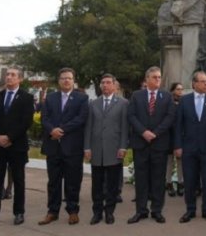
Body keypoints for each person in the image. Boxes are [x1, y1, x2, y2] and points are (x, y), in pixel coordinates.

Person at [0, 67, 34, 227]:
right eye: (8, 74)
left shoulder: (26, 98)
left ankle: (19, 212)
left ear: (20, 79)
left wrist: (10, 137)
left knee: (18, 180)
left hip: (16, 146)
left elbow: (26, 122)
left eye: (13, 75)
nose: (9, 77)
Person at [39, 68, 89, 226]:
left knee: (73, 181)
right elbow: (44, 118)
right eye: (63, 78)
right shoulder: (51, 98)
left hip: (73, 147)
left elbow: (81, 118)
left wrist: (62, 130)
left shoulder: (82, 98)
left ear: (73, 80)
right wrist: (52, 130)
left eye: (69, 78)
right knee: (53, 182)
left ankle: (73, 210)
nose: (66, 81)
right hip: (53, 147)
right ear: (59, 81)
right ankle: (52, 211)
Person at [127, 66, 176, 224]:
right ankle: (141, 211)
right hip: (141, 143)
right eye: (154, 77)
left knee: (158, 179)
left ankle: (157, 210)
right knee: (141, 179)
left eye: (159, 77)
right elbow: (131, 116)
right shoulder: (136, 95)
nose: (157, 80)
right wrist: (143, 132)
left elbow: (169, 117)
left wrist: (155, 133)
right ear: (147, 79)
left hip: (159, 144)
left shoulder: (167, 96)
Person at [174, 71, 206, 223]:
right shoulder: (184, 100)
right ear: (194, 84)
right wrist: (178, 145)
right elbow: (178, 125)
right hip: (189, 149)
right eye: (203, 81)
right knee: (189, 181)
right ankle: (190, 210)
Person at [84, 73, 128, 225]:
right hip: (96, 150)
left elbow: (124, 128)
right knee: (96, 184)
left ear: (115, 86)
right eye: (102, 82)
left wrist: (123, 146)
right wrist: (87, 147)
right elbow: (88, 127)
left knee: (112, 185)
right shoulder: (93, 103)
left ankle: (109, 212)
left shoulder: (123, 103)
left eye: (108, 82)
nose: (105, 85)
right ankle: (97, 212)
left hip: (114, 149)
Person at [166, 82, 184, 197]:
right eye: (177, 89)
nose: (180, 92)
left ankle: (181, 183)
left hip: (181, 136)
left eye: (181, 90)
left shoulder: (184, 103)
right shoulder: (167, 103)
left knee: (180, 161)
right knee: (169, 162)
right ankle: (168, 183)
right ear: (172, 90)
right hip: (168, 136)